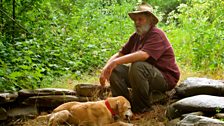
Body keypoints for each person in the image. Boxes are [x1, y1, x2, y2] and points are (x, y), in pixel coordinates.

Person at [99, 2, 180, 114]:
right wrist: (107, 67)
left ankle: (141, 109)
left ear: (150, 20)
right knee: (115, 69)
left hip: (165, 78)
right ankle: (122, 105)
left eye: (140, 19)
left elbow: (143, 55)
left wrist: (116, 62)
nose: (136, 22)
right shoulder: (136, 36)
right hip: (147, 75)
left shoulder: (157, 34)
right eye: (135, 20)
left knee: (137, 66)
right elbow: (120, 54)